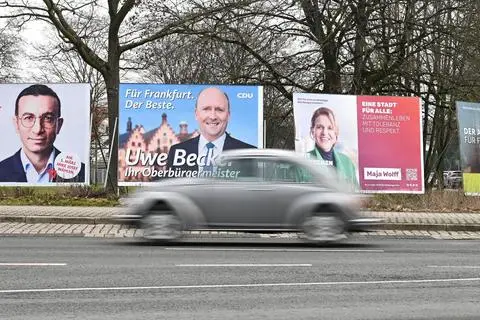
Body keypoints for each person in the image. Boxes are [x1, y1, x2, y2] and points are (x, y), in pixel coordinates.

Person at [0, 84, 85, 183]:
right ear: (16, 124)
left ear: (59, 125)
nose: (37, 129)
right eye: (28, 118)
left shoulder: (80, 173)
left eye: (47, 118)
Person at [167, 86, 256, 173]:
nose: (213, 116)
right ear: (196, 114)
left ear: (228, 115)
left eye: (219, 110)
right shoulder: (176, 152)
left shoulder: (249, 154)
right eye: (206, 109)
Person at [307, 107, 358, 188]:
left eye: (330, 128)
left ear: (336, 132)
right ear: (313, 131)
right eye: (319, 127)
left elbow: (356, 195)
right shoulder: (302, 162)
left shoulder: (347, 163)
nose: (325, 132)